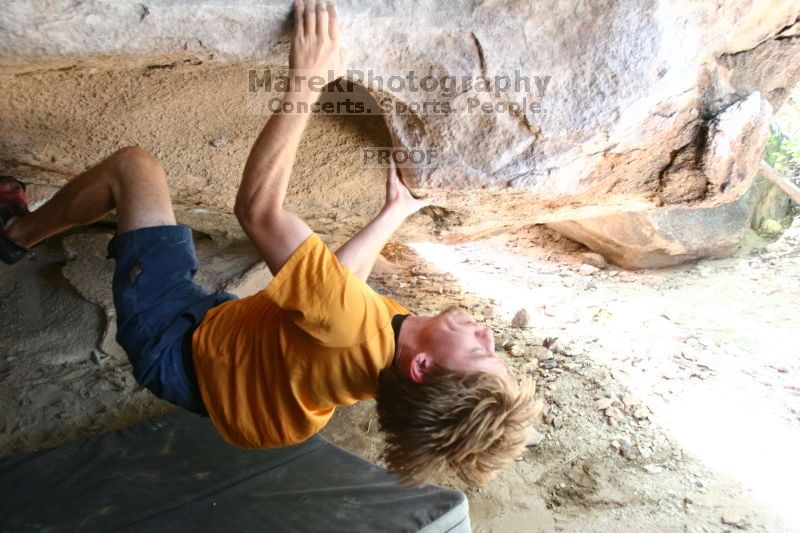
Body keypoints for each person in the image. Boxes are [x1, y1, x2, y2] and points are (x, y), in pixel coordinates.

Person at [0, 0, 541, 486]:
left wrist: (306, 78)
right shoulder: (387, 354)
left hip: (171, 339)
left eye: (479, 351)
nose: (488, 336)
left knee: (134, 168)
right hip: (224, 379)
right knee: (302, 306)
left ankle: (16, 235)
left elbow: (258, 212)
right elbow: (339, 293)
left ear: (421, 368)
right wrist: (394, 211)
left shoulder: (353, 326)